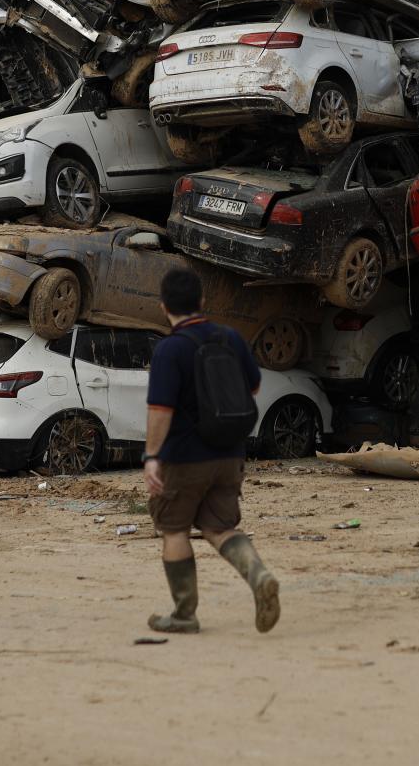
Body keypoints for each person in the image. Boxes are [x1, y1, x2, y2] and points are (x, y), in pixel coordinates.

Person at [142, 267, 280, 634]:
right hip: (230, 452)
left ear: (163, 307)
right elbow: (252, 387)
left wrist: (152, 456)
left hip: (184, 457)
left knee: (174, 530)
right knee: (220, 526)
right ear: (203, 302)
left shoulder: (170, 349)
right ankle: (259, 575)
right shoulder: (230, 338)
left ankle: (184, 614)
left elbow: (160, 410)